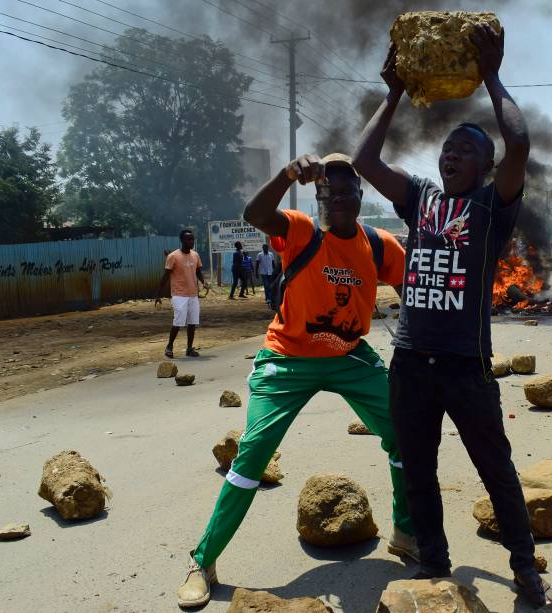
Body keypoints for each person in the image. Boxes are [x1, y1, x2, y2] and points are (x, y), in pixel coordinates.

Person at [352, 26, 552, 607]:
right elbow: (365, 158)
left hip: (466, 366)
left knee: (497, 471)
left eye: (464, 149)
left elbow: (519, 144)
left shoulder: (494, 206)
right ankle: (436, 563)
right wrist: (392, 92)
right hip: (412, 361)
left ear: (485, 165)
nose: (451, 155)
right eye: (447, 148)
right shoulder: (420, 197)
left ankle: (524, 567)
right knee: (419, 472)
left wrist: (491, 75)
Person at [175, 153, 415, 608]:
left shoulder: (380, 245)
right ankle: (202, 561)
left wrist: (417, 345)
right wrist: (287, 174)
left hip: (349, 357)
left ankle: (405, 532)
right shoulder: (301, 231)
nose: (338, 199)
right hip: (287, 360)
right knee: (252, 456)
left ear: (360, 197)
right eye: (329, 192)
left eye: (347, 191)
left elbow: (413, 292)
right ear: (318, 198)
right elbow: (255, 215)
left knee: (403, 434)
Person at [155, 229, 209, 359]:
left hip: (193, 294)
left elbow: (198, 272)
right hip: (179, 295)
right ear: (182, 240)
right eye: (188, 239)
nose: (191, 241)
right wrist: (158, 294)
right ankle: (169, 346)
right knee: (178, 322)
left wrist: (204, 282)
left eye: (192, 239)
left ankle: (189, 348)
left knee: (192, 322)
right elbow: (165, 276)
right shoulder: (173, 256)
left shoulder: (195, 255)